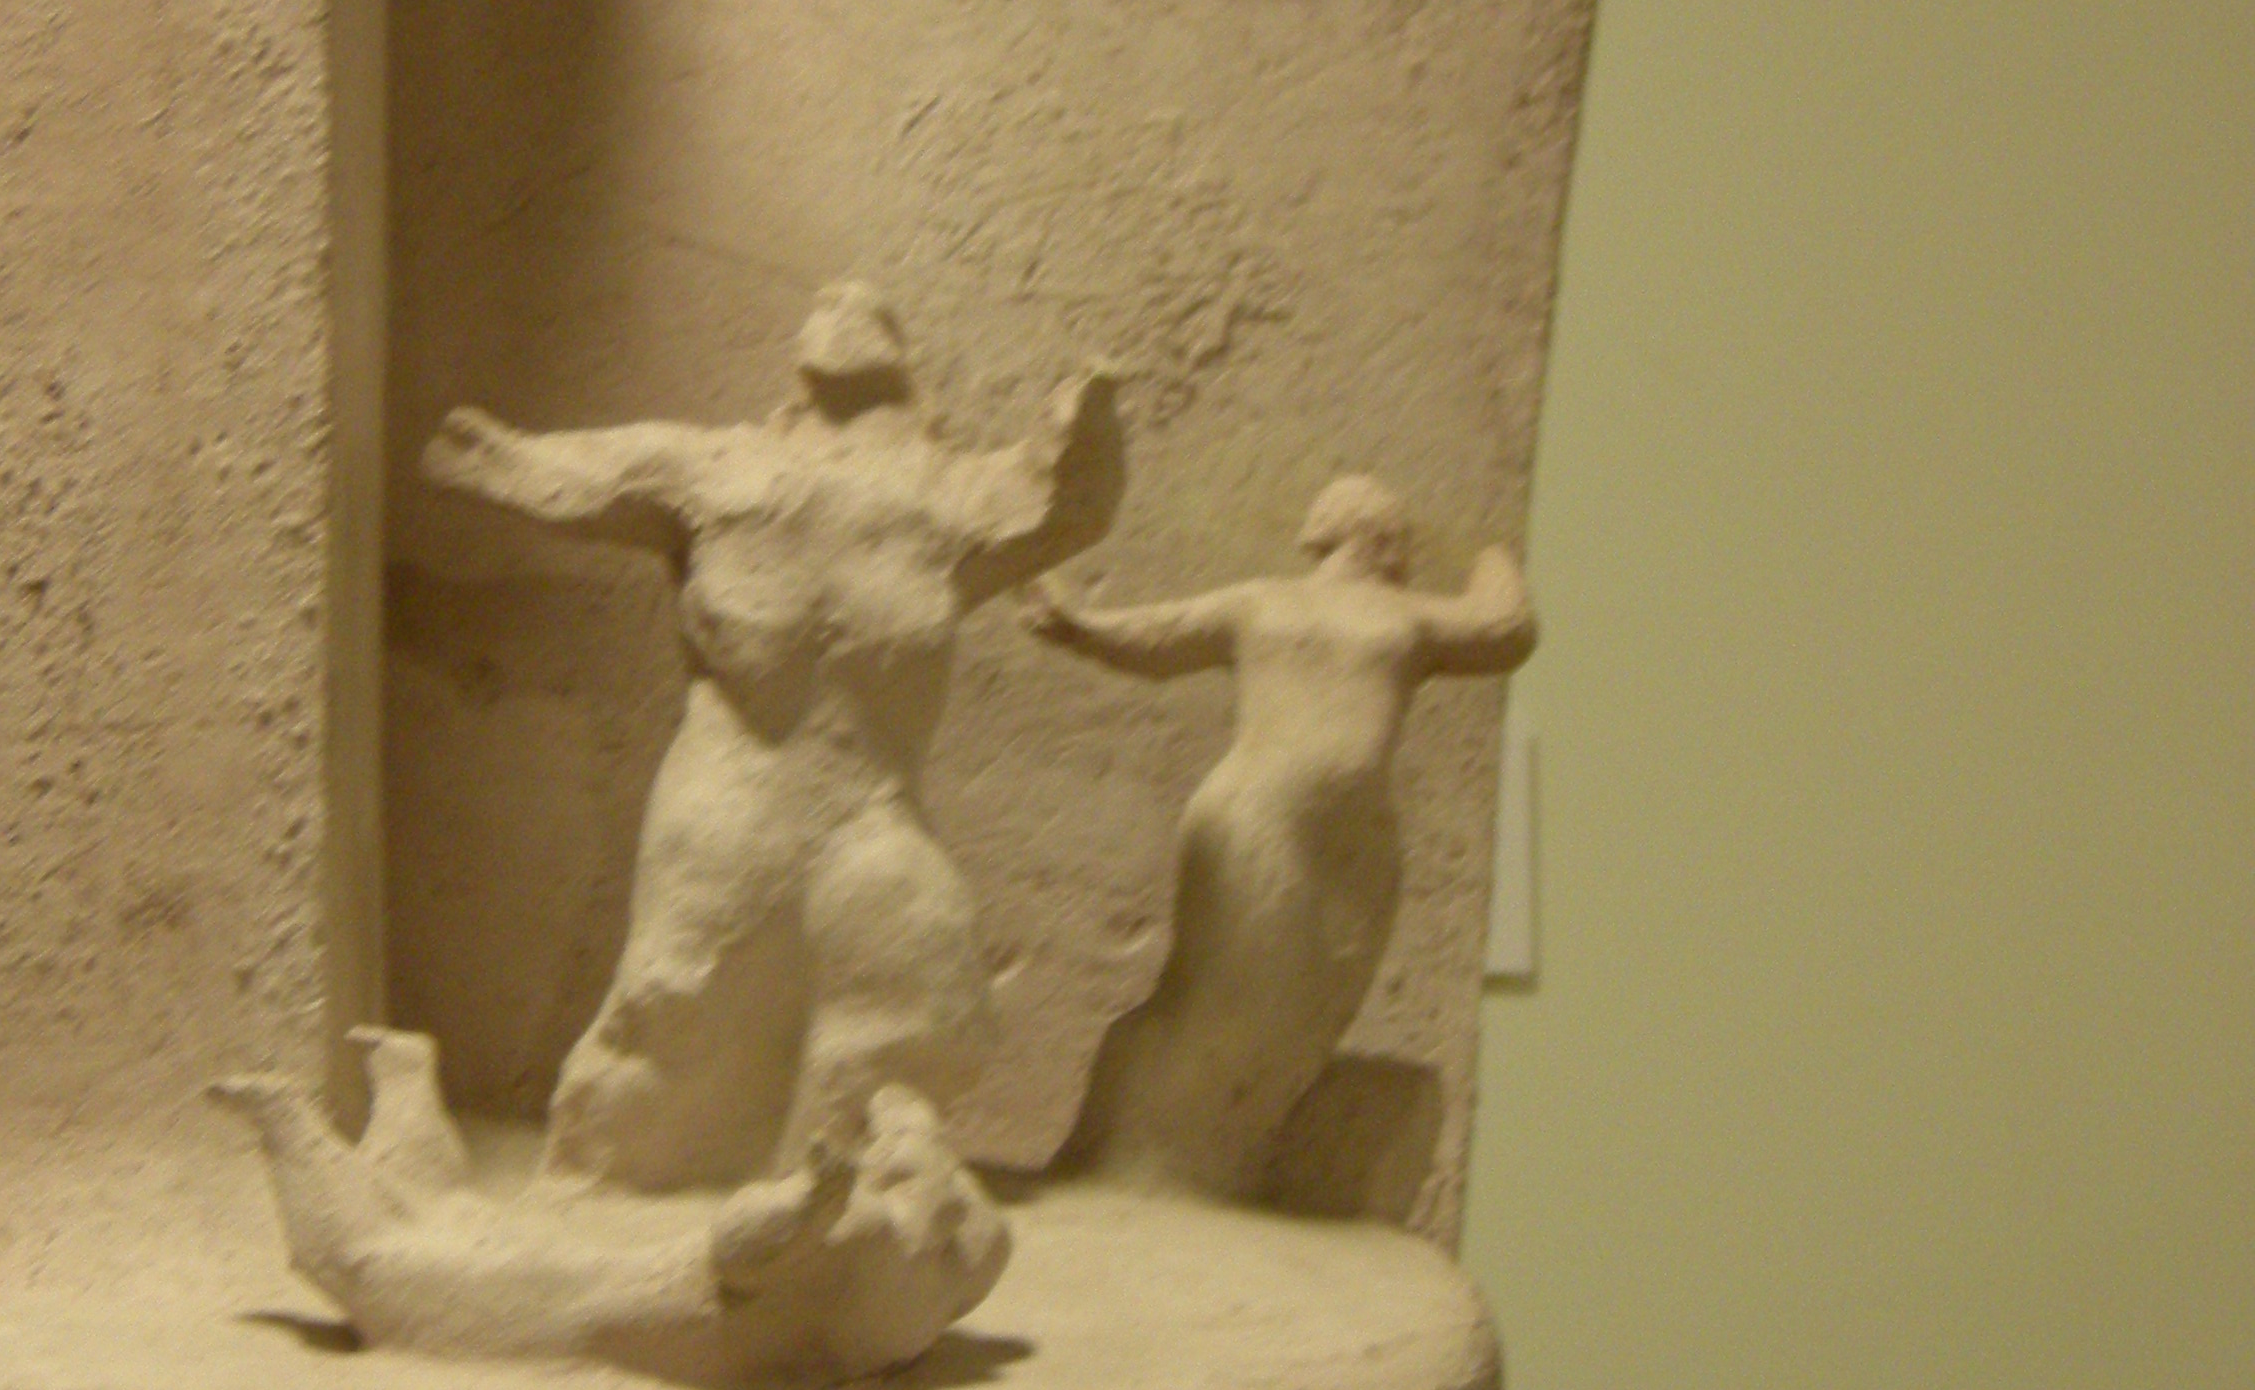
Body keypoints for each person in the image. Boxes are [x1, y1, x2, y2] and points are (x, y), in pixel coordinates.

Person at [425, 283, 1120, 1188]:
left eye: (870, 309)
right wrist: (485, 449)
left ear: (907, 365)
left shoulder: (955, 495)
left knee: (921, 1005)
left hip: (872, 819)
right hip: (725, 814)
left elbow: (1069, 498)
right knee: (660, 1056)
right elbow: (525, 465)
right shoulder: (710, 470)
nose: (846, 304)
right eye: (828, 301)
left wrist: (1087, 415)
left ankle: (834, 1204)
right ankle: (631, 1200)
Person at [1027, 474, 1532, 1202]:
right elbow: (1504, 621)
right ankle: (1138, 1162)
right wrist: (1493, 554)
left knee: (1302, 1002)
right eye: (1398, 537)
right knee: (1219, 999)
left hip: (1340, 840)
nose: (1404, 551)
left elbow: (1506, 631)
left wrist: (1079, 625)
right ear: (1375, 538)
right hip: (1261, 822)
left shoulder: (1349, 611)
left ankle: (1220, 1165)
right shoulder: (1317, 608)